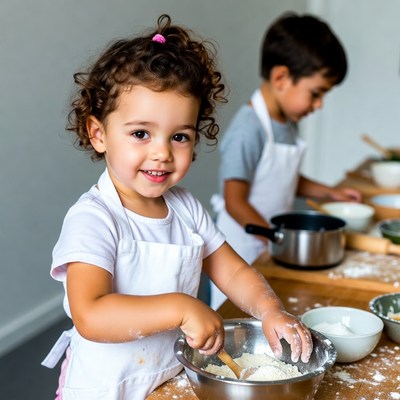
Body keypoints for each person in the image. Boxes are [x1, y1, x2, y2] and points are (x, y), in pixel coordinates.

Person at [41, 14, 313, 400]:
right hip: (105, 389)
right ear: (98, 133)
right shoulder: (94, 218)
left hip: (166, 382)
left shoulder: (185, 208)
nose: (162, 153)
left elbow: (232, 270)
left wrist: (269, 310)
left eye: (180, 136)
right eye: (140, 133)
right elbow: (92, 314)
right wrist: (182, 307)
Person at [209, 12, 362, 310]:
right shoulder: (249, 129)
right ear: (281, 77)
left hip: (271, 246)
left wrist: (330, 193)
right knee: (238, 314)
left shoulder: (286, 122)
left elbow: (286, 176)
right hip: (242, 250)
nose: (318, 105)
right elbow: (234, 201)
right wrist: (277, 239)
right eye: (316, 94)